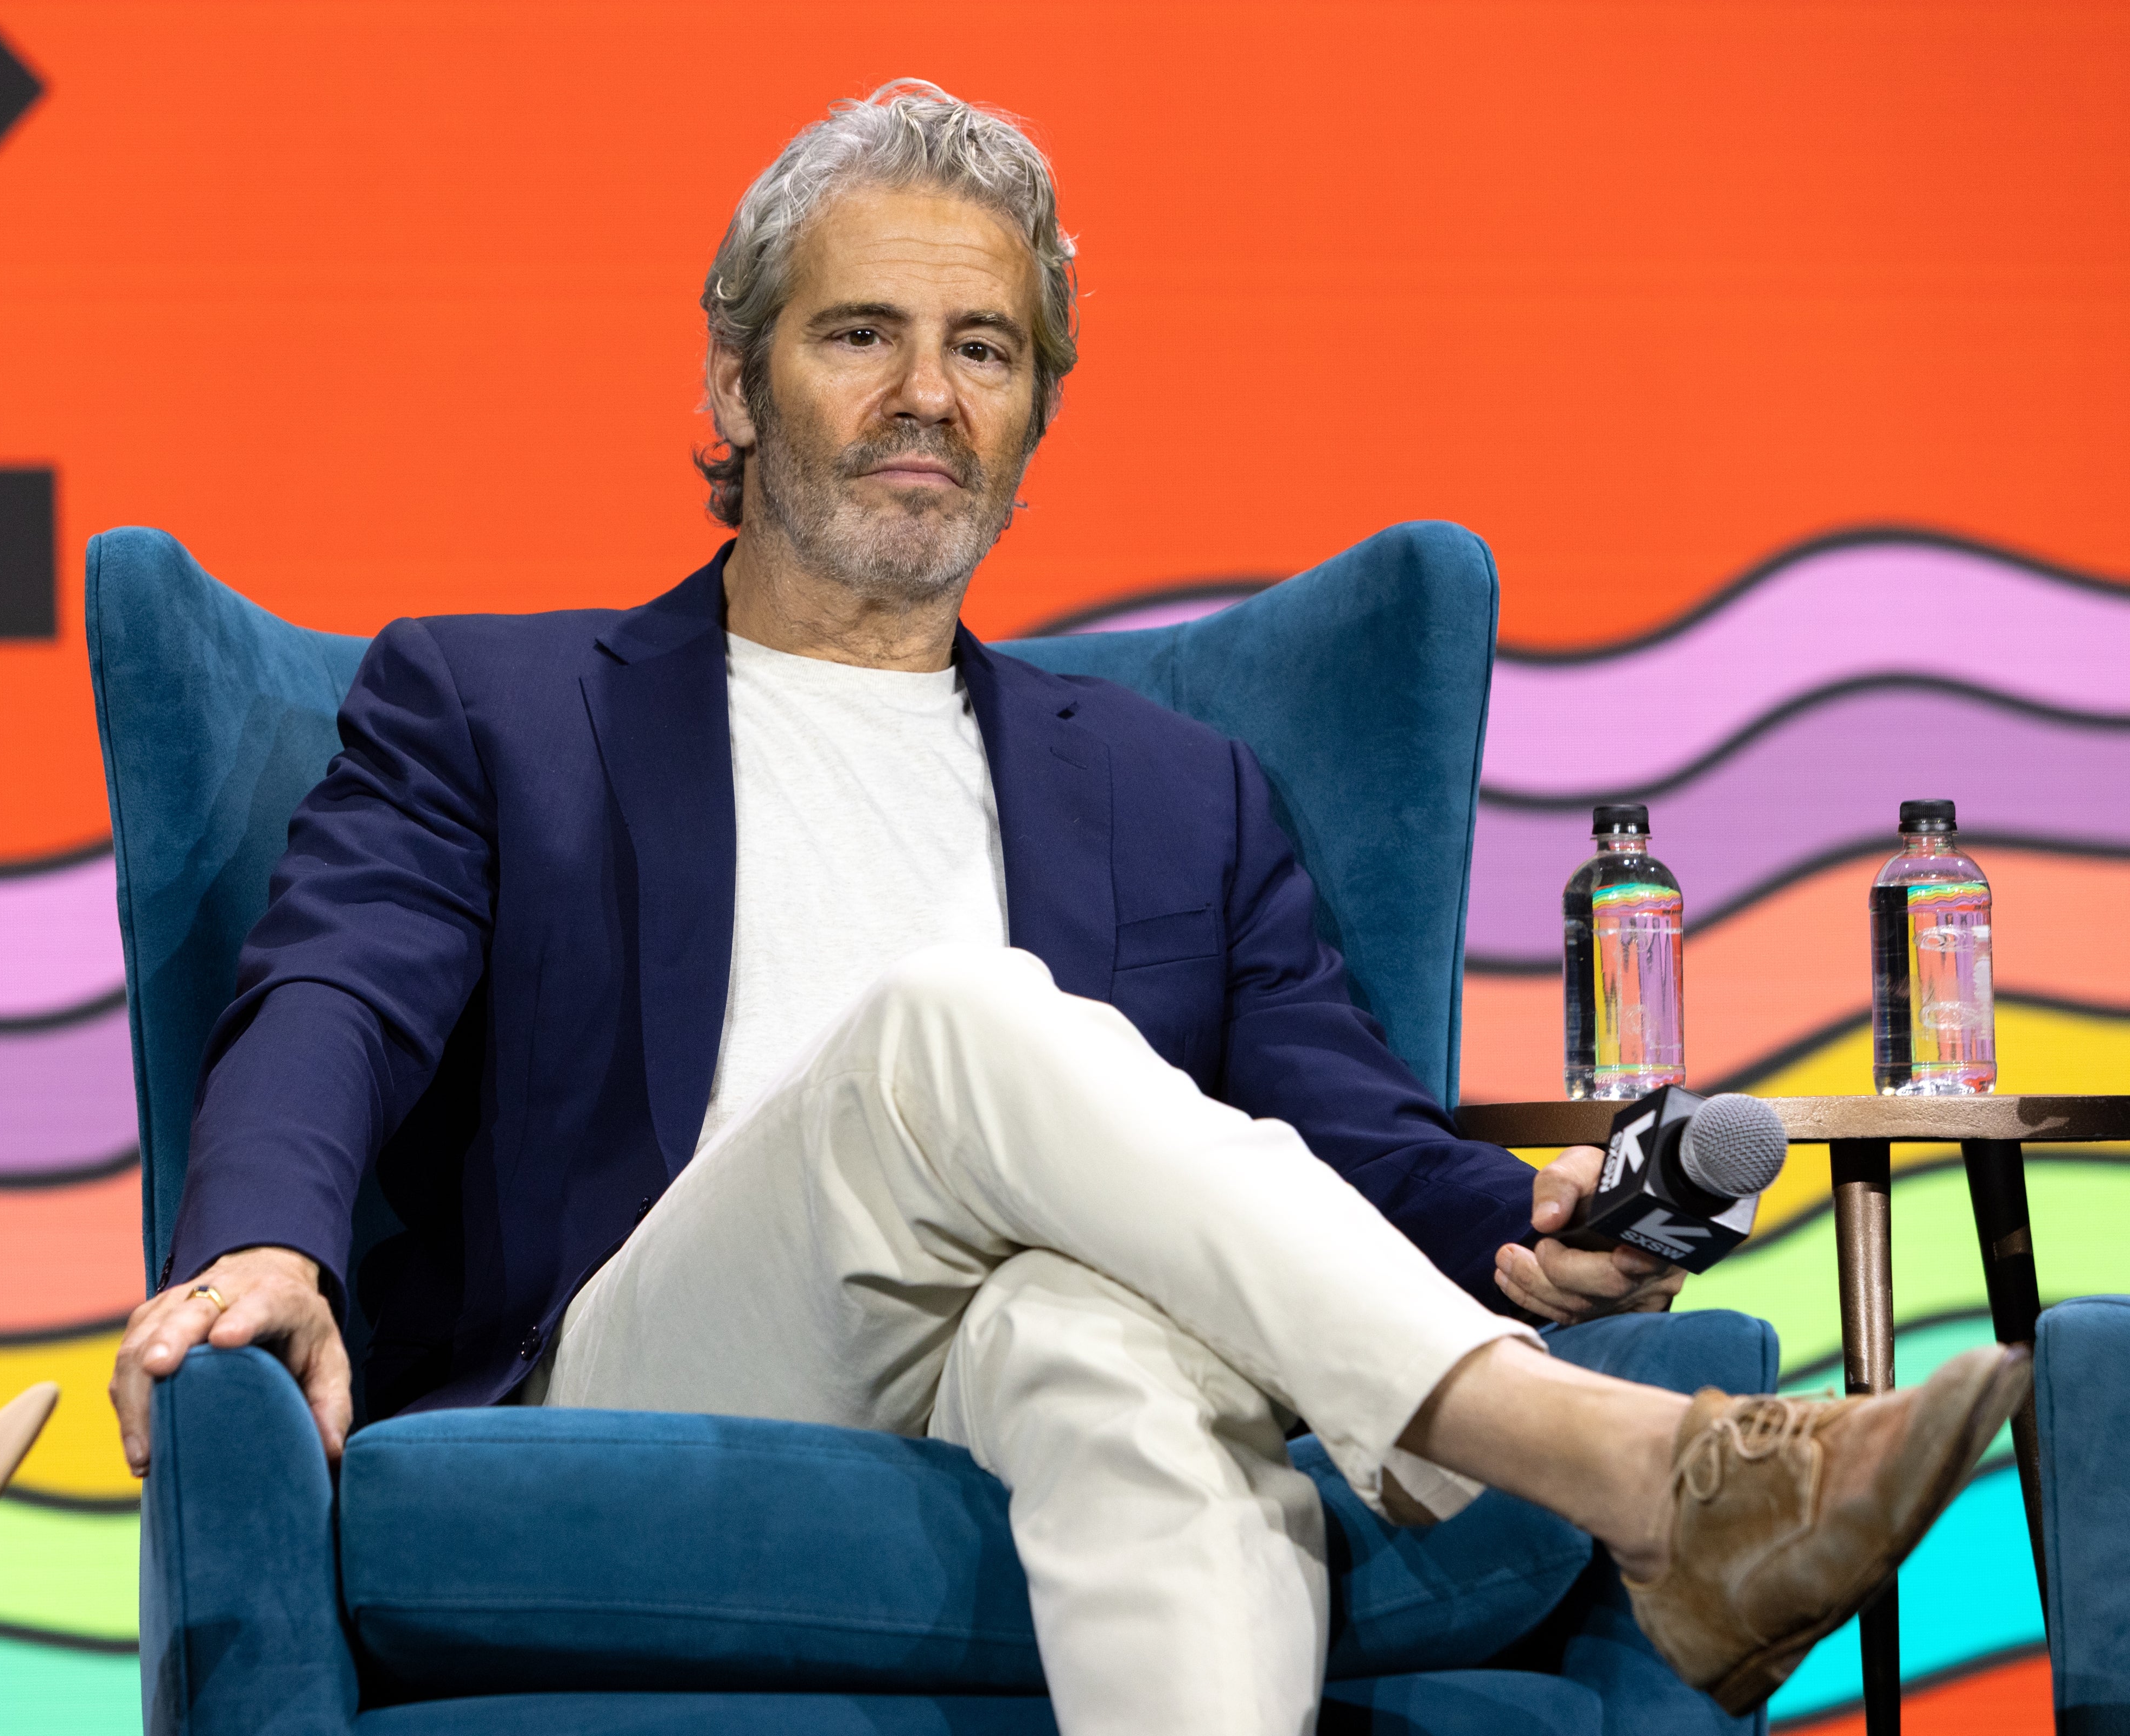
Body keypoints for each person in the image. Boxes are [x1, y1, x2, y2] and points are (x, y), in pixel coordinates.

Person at [110, 80, 2024, 1733]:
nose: (926, 395)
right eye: (860, 334)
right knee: (963, 1017)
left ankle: (1571, 1431)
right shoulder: (496, 707)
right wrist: (266, 1241)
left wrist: (1517, 1225)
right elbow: (331, 991)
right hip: (667, 1344)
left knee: (1107, 1359)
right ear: (731, 374)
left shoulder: (1171, 787)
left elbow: (1338, 1116)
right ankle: (1627, 1467)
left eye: (989, 349)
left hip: (1013, 1358)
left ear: (1037, 415)